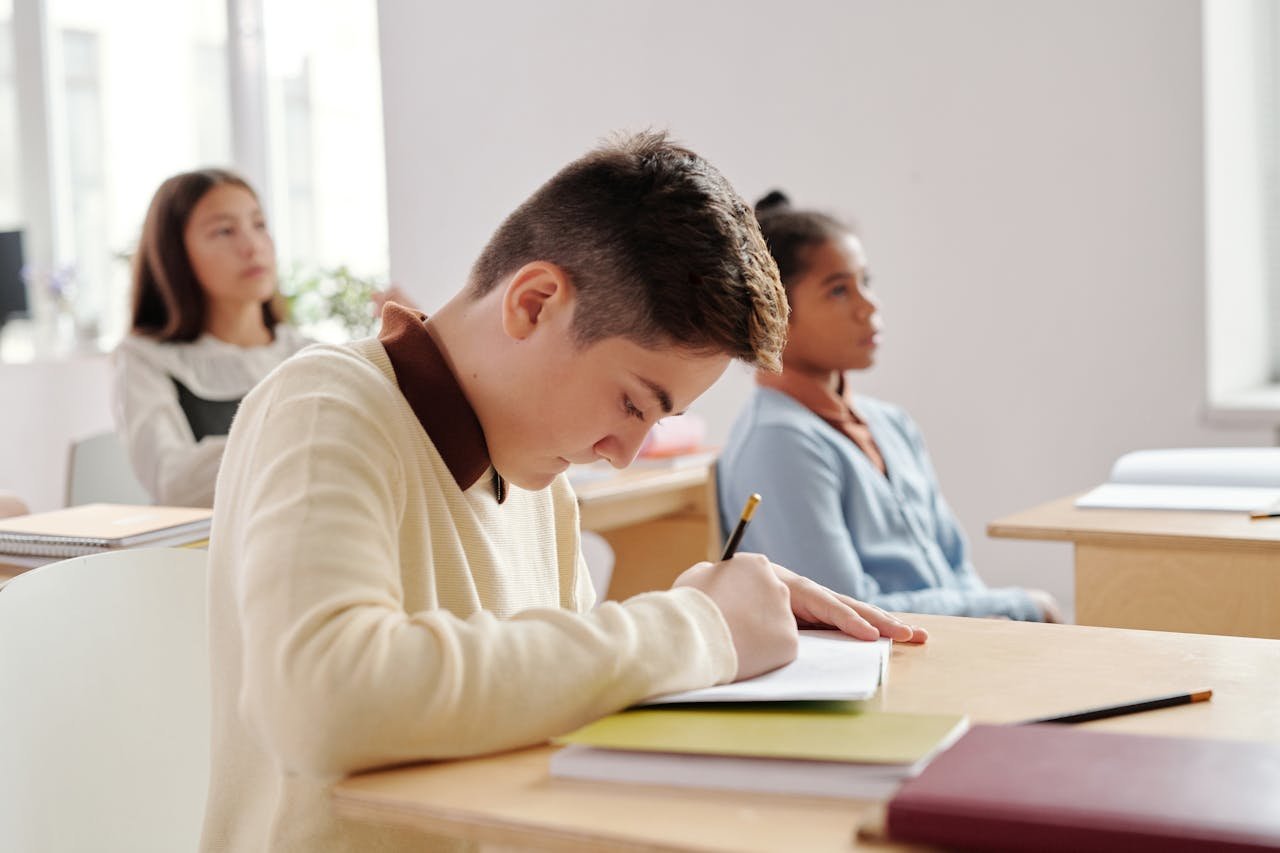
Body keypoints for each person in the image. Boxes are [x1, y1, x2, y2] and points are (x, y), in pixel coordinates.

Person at [199, 133, 928, 853]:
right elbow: (323, 702)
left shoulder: (534, 478)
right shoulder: (327, 404)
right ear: (535, 301)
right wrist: (698, 627)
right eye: (634, 403)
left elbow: (541, 715)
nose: (623, 455)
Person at [717, 191, 1062, 623]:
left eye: (866, 282)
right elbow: (843, 610)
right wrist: (1020, 609)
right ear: (775, 311)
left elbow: (956, 569)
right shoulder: (777, 443)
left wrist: (1002, 622)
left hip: (951, 646)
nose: (869, 305)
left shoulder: (891, 425)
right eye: (839, 290)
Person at [111, 169, 311, 507]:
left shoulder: (308, 352)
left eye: (259, 225)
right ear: (176, 255)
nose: (252, 246)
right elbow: (173, 485)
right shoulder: (145, 358)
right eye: (224, 231)